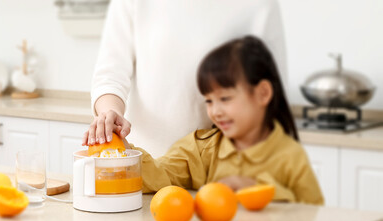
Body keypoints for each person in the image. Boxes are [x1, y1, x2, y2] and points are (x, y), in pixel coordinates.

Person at [130, 36, 323, 204]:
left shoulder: (290, 157)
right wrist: (124, 153)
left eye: (225, 99)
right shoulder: (202, 149)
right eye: (209, 101)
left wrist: (256, 188)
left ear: (263, 93)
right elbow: (160, 175)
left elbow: (313, 217)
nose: (215, 111)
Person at [84, 0, 287, 158]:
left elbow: (273, 97)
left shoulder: (260, 5)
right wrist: (110, 113)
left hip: (224, 172)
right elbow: (110, 73)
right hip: (144, 169)